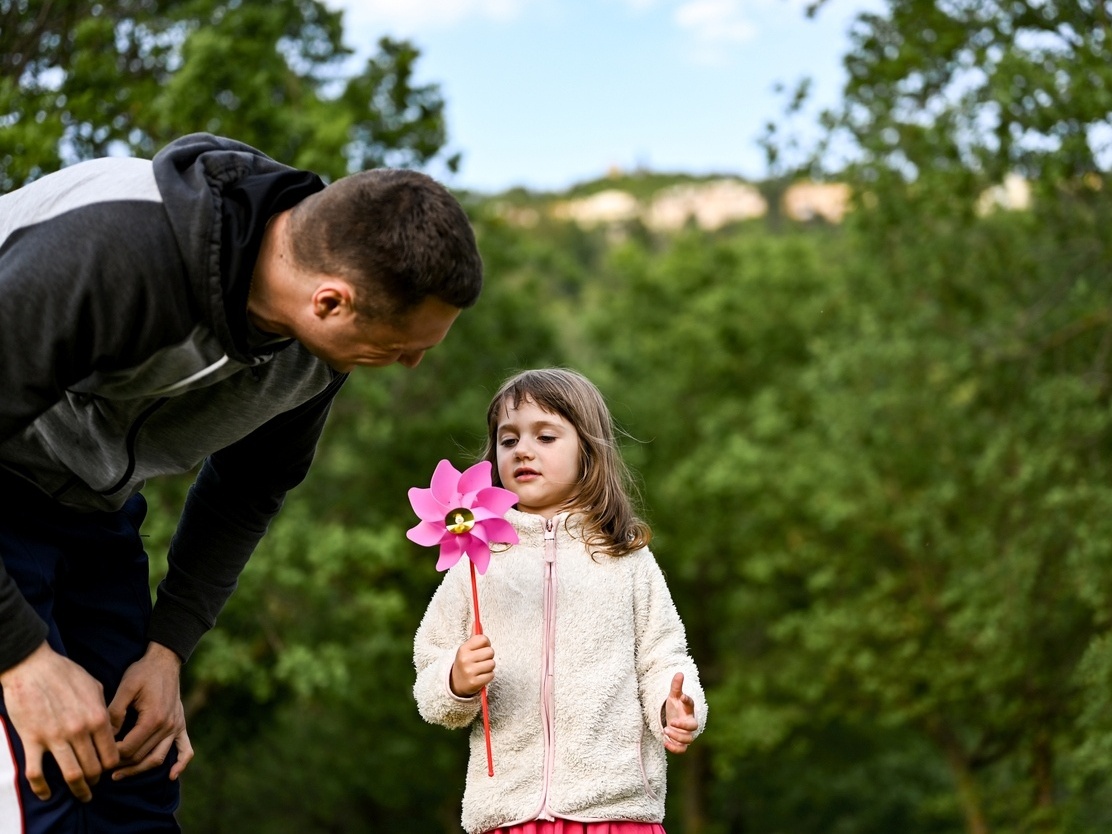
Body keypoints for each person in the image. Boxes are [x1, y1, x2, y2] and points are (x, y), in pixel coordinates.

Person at [0, 132, 484, 832]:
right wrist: (20, 657)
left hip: (93, 510)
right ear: (330, 301)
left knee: (137, 776)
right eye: (402, 346)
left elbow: (248, 489)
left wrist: (166, 650)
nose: (408, 364)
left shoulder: (317, 352)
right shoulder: (115, 249)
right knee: (42, 780)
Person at [413, 368, 706, 834]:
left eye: (545, 436)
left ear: (588, 452)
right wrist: (455, 679)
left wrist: (677, 705)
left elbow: (664, 658)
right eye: (508, 441)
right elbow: (430, 674)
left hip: (613, 808)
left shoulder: (625, 556)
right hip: (508, 812)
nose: (523, 450)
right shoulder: (476, 559)